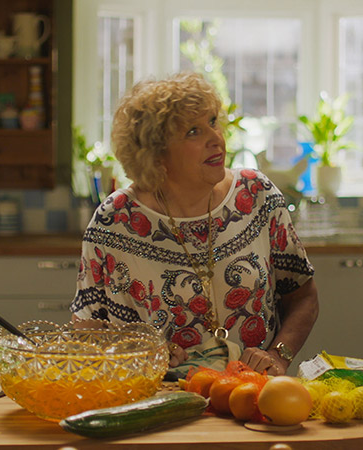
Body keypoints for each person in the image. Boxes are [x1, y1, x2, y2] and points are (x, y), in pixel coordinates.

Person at [71, 72, 319, 376]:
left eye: (213, 122)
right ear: (156, 152)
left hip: (253, 393)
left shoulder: (256, 196)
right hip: (159, 400)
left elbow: (303, 296)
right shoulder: (115, 221)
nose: (215, 139)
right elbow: (88, 332)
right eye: (193, 131)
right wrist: (135, 351)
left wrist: (279, 356)